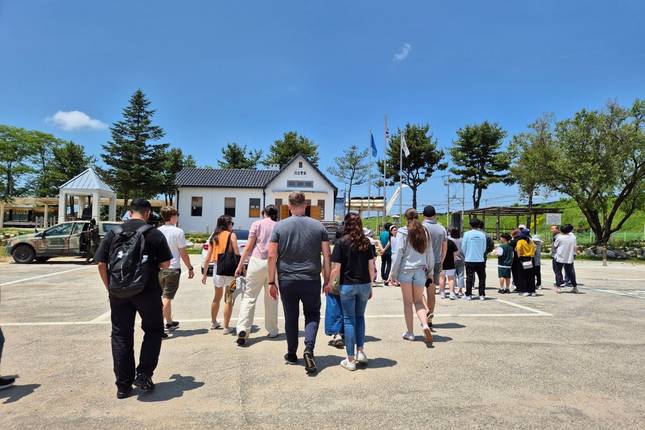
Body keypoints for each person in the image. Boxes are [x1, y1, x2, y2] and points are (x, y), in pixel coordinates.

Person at [95, 198, 173, 399]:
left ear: (130, 212)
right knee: (154, 330)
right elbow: (166, 265)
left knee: (121, 334)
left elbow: (101, 264)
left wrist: (110, 288)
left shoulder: (113, 233)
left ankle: (123, 385)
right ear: (147, 213)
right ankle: (144, 374)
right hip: (146, 291)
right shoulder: (153, 234)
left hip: (118, 292)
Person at [268, 192, 331, 374]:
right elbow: (327, 255)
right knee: (312, 314)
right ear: (306, 205)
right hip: (311, 279)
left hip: (287, 279)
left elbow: (272, 255)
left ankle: (291, 353)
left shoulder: (280, 227)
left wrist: (271, 282)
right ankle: (309, 349)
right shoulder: (318, 227)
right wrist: (327, 279)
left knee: (291, 317)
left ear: (289, 206)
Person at [327, 212, 375, 371]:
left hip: (347, 285)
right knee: (360, 317)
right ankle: (360, 351)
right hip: (364, 284)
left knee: (349, 320)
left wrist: (329, 284)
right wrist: (371, 285)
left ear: (346, 224)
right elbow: (371, 267)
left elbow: (336, 269)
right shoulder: (366, 242)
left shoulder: (341, 243)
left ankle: (350, 359)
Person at [234, 205, 280, 346]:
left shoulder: (256, 224)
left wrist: (240, 265)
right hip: (274, 263)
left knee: (249, 297)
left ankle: (243, 328)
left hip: (256, 261)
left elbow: (248, 247)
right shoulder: (279, 226)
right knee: (272, 297)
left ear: (264, 213)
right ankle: (272, 330)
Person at [389, 209, 433, 345]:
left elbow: (398, 253)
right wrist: (430, 271)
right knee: (419, 301)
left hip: (406, 270)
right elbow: (429, 252)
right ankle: (425, 325)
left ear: (405, 218)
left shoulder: (402, 232)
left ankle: (410, 332)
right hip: (421, 269)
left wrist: (393, 273)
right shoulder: (424, 231)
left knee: (408, 302)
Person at [157, 206, 195, 334]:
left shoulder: (157, 231)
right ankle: (159, 326)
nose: (177, 218)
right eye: (176, 215)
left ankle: (169, 322)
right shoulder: (178, 232)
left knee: (163, 296)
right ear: (172, 217)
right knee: (167, 297)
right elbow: (183, 253)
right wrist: (190, 267)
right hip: (173, 268)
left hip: (160, 268)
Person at [201, 215, 240, 333]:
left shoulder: (214, 236)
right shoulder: (232, 235)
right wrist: (240, 268)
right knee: (229, 298)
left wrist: (204, 274)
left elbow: (208, 258)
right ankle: (226, 327)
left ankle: (213, 323)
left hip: (217, 269)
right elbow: (237, 252)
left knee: (216, 297)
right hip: (230, 270)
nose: (232, 226)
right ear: (227, 224)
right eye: (231, 223)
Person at [422, 206, 446, 325]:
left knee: (418, 291)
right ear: (435, 214)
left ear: (423, 215)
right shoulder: (441, 229)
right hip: (436, 261)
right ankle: (430, 318)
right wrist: (441, 260)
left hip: (421, 262)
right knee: (431, 291)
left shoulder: (421, 227)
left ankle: (425, 311)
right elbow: (444, 246)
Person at [462, 218, 487, 300]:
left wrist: (467, 254)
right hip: (480, 259)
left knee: (469, 277)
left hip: (469, 259)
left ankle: (468, 295)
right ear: (479, 225)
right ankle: (482, 294)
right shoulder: (482, 234)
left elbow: (463, 247)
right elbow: (484, 248)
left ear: (470, 225)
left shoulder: (466, 234)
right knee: (482, 277)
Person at [553, 224, 578, 294]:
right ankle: (575, 287)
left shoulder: (559, 237)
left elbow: (555, 246)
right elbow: (575, 247)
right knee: (570, 273)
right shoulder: (573, 237)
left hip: (559, 256)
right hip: (569, 257)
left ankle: (558, 287)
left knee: (558, 272)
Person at [515, 228, 537, 297]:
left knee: (522, 275)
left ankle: (524, 290)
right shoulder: (530, 241)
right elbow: (534, 248)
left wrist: (519, 257)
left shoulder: (520, 241)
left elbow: (518, 249)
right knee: (530, 275)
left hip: (523, 258)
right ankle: (532, 290)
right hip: (530, 258)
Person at [439, 230, 459, 300]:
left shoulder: (439, 243)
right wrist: (453, 259)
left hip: (441, 262)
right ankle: (451, 293)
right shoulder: (451, 242)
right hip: (450, 262)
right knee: (451, 278)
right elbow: (456, 252)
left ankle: (442, 293)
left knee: (442, 278)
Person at [449, 229, 465, 296]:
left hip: (451, 259)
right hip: (461, 259)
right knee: (461, 275)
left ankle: (453, 290)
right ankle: (460, 290)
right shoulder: (462, 239)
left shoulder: (449, 239)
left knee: (452, 276)